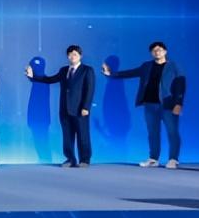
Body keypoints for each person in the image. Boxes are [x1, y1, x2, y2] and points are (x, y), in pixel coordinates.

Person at [102, 41, 186, 169]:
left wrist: (178, 103)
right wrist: (111, 74)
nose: (157, 52)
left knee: (172, 132)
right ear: (151, 53)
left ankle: (173, 159)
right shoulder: (147, 66)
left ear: (165, 51)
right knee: (153, 133)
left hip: (168, 105)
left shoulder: (173, 66)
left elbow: (180, 84)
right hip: (150, 105)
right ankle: (153, 159)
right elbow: (131, 73)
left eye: (159, 50)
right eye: (154, 50)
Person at [27, 45, 96, 167]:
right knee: (67, 136)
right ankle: (70, 159)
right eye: (70, 54)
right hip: (64, 109)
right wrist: (33, 76)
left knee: (83, 135)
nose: (72, 57)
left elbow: (89, 90)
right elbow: (50, 79)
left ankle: (84, 160)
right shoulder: (64, 70)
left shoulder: (87, 70)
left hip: (80, 109)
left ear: (80, 56)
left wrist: (86, 107)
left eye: (75, 54)